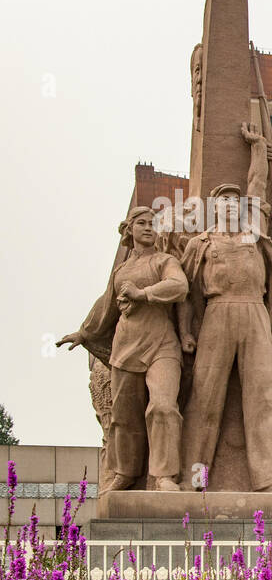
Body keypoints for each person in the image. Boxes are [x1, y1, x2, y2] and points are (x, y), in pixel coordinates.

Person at [178, 179, 272, 492]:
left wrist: (266, 320)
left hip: (254, 311)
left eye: (235, 201)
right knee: (205, 398)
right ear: (213, 208)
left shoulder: (257, 241)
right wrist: (184, 331)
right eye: (223, 200)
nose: (230, 205)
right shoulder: (201, 244)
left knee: (263, 396)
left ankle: (270, 477)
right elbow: (185, 292)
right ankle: (195, 478)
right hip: (217, 313)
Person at [59, 206, 188, 491]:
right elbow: (106, 305)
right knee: (124, 416)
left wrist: (144, 294)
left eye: (153, 223)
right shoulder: (121, 271)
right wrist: (83, 332)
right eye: (141, 223)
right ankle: (125, 472)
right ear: (129, 230)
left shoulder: (165, 261)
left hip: (162, 345)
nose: (148, 227)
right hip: (126, 347)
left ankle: (165, 475)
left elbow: (179, 286)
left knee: (164, 406)